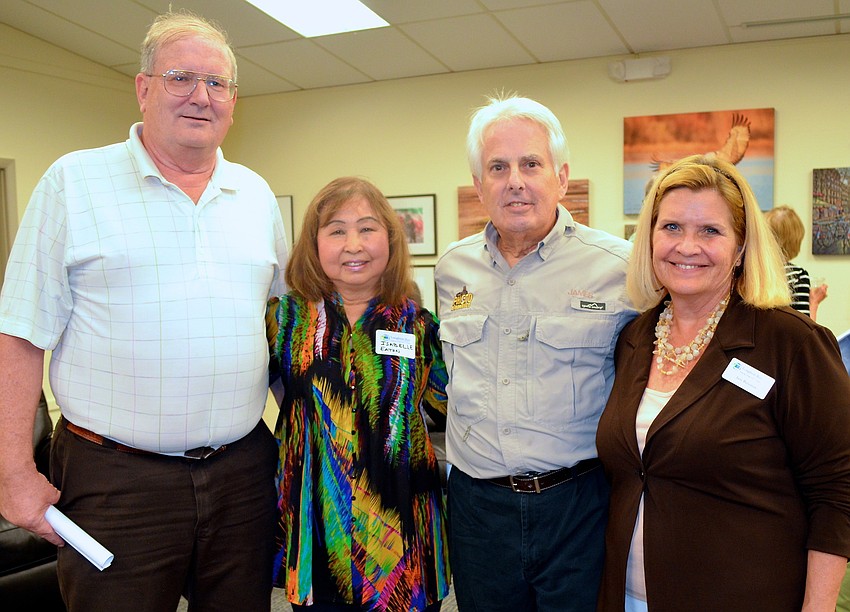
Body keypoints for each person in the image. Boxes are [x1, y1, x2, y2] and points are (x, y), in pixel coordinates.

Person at [0, 10, 288, 610]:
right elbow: (20, 336)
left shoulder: (255, 194)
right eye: (181, 77)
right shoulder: (73, 183)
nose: (200, 97)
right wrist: (13, 472)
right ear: (144, 87)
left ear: (234, 100)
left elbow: (282, 328)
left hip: (242, 473)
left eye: (217, 84)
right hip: (115, 482)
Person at [595, 155, 850, 611]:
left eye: (710, 231)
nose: (686, 246)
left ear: (740, 248)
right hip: (629, 597)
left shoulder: (790, 343)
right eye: (670, 227)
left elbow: (837, 490)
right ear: (648, 238)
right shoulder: (634, 338)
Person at [434, 94, 637, 611]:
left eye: (531, 164)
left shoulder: (620, 268)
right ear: (479, 185)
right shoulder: (452, 269)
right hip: (478, 509)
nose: (515, 181)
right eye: (497, 167)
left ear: (561, 177)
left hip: (578, 506)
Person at [266, 176, 450, 611]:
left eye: (368, 228)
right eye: (336, 230)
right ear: (314, 243)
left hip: (403, 530)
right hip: (317, 528)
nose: (354, 244)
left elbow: (447, 409)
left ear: (390, 239)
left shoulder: (417, 324)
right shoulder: (283, 320)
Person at [764, 204, 828, 320]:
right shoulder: (797, 276)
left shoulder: (752, 273)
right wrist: (814, 302)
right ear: (796, 240)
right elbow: (803, 331)